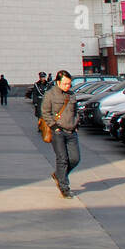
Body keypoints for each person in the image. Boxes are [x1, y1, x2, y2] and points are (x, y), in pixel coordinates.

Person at [41, 70, 80, 198]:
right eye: (65, 84)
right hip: (58, 132)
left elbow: (76, 111)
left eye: (69, 84)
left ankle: (59, 175)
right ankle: (64, 187)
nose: (68, 86)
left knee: (75, 158)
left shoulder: (72, 94)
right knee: (62, 159)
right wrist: (54, 126)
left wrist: (76, 123)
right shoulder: (50, 94)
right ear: (58, 82)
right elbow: (45, 112)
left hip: (71, 131)